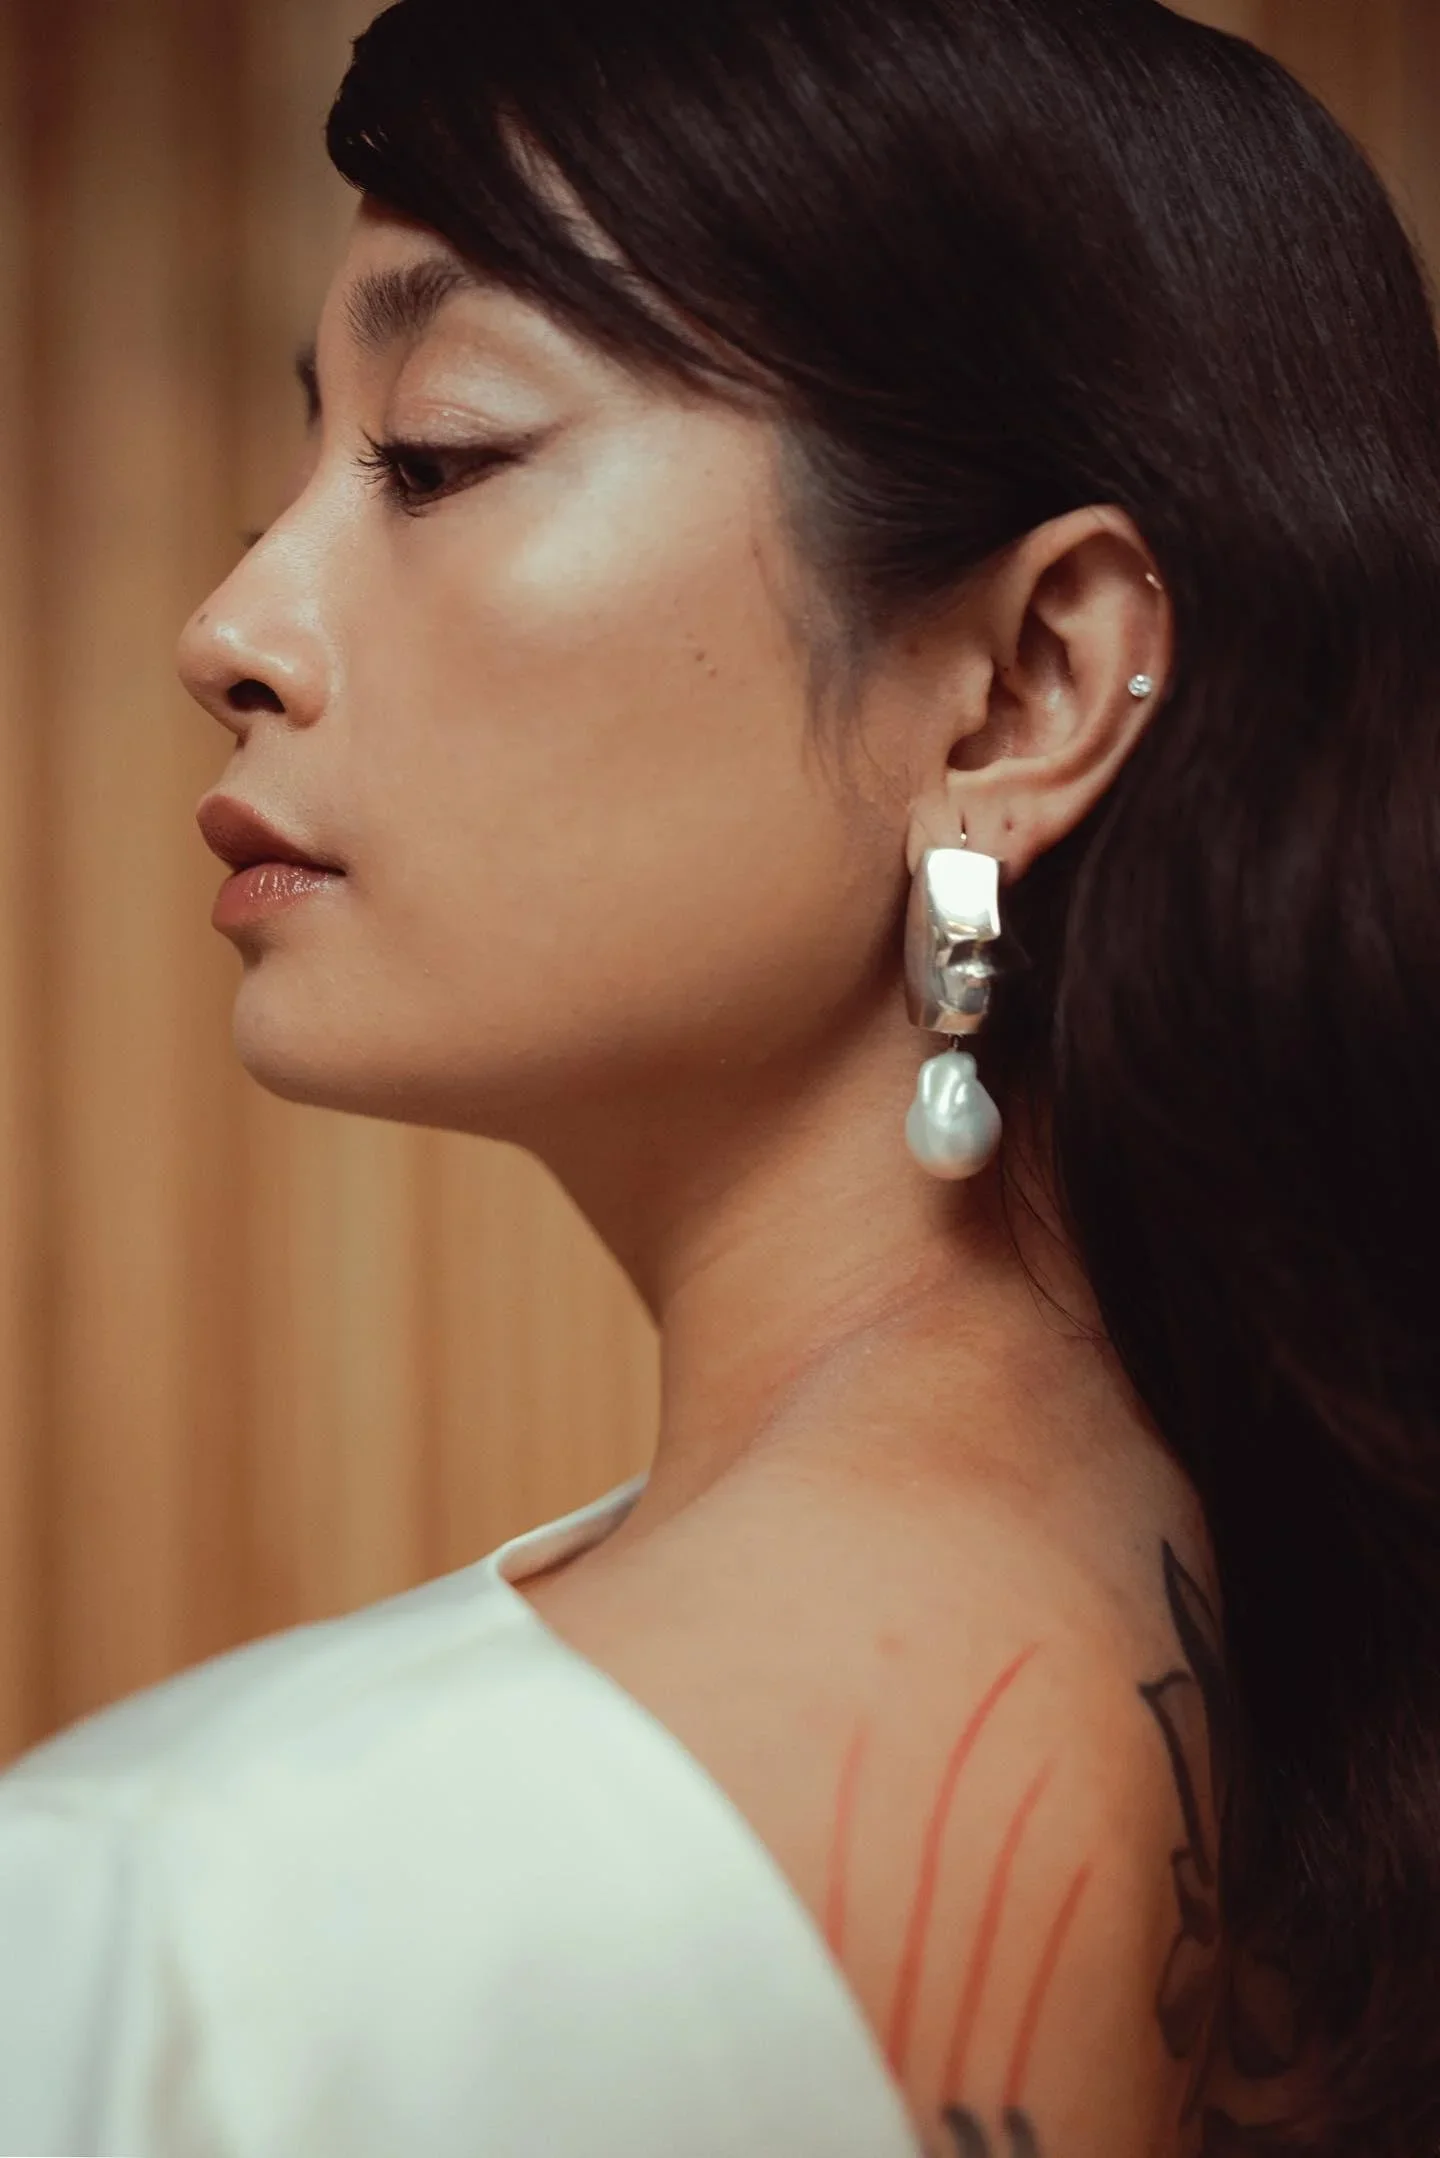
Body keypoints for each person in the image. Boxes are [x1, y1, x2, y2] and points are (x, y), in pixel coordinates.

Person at [2, 0, 1439, 2150]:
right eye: (302, 464)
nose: (232, 625)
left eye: (438, 455)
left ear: (1024, 688)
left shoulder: (206, 1928)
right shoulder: (1308, 1753)